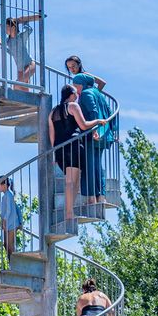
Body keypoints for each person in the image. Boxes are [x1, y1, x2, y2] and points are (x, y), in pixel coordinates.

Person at [48, 84, 107, 222]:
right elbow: (83, 125)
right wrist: (98, 121)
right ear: (71, 94)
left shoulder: (52, 111)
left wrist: (54, 151)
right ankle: (69, 213)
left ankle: (69, 211)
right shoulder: (73, 106)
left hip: (59, 149)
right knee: (73, 182)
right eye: (75, 93)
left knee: (70, 181)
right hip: (73, 145)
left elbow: (52, 133)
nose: (77, 96)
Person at [74, 73, 114, 205]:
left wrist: (95, 130)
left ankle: (91, 198)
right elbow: (109, 112)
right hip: (104, 135)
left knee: (88, 166)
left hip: (92, 134)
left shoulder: (86, 93)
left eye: (76, 86)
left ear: (81, 84)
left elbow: (93, 111)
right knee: (97, 166)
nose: (76, 89)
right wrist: (113, 131)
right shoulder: (99, 94)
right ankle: (101, 197)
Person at [0, 15, 42, 88]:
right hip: (20, 70)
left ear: (13, 27)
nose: (5, 30)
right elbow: (12, 52)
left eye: (6, 27)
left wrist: (24, 22)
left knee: (16, 86)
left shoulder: (21, 37)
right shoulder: (8, 41)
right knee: (23, 90)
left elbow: (30, 30)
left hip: (29, 65)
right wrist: (1, 44)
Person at [0, 176, 22, 256]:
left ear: (4, 185)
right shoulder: (5, 196)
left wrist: (4, 220)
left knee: (10, 244)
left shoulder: (9, 195)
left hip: (12, 223)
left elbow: (9, 210)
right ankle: (11, 263)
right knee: (6, 245)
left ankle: (16, 264)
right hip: (8, 224)